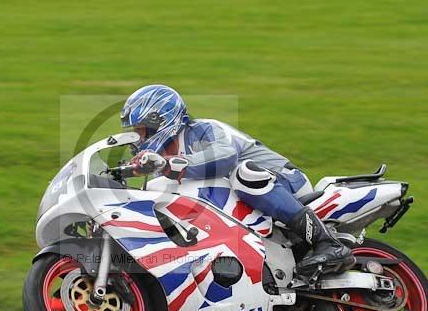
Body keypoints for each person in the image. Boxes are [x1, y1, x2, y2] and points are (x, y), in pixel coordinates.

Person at [119, 84, 354, 277]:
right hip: (250, 206)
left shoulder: (203, 130)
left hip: (284, 181)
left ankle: (328, 243)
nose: (138, 138)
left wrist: (168, 164)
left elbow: (225, 158)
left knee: (244, 174)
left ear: (159, 123)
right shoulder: (163, 163)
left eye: (142, 131)